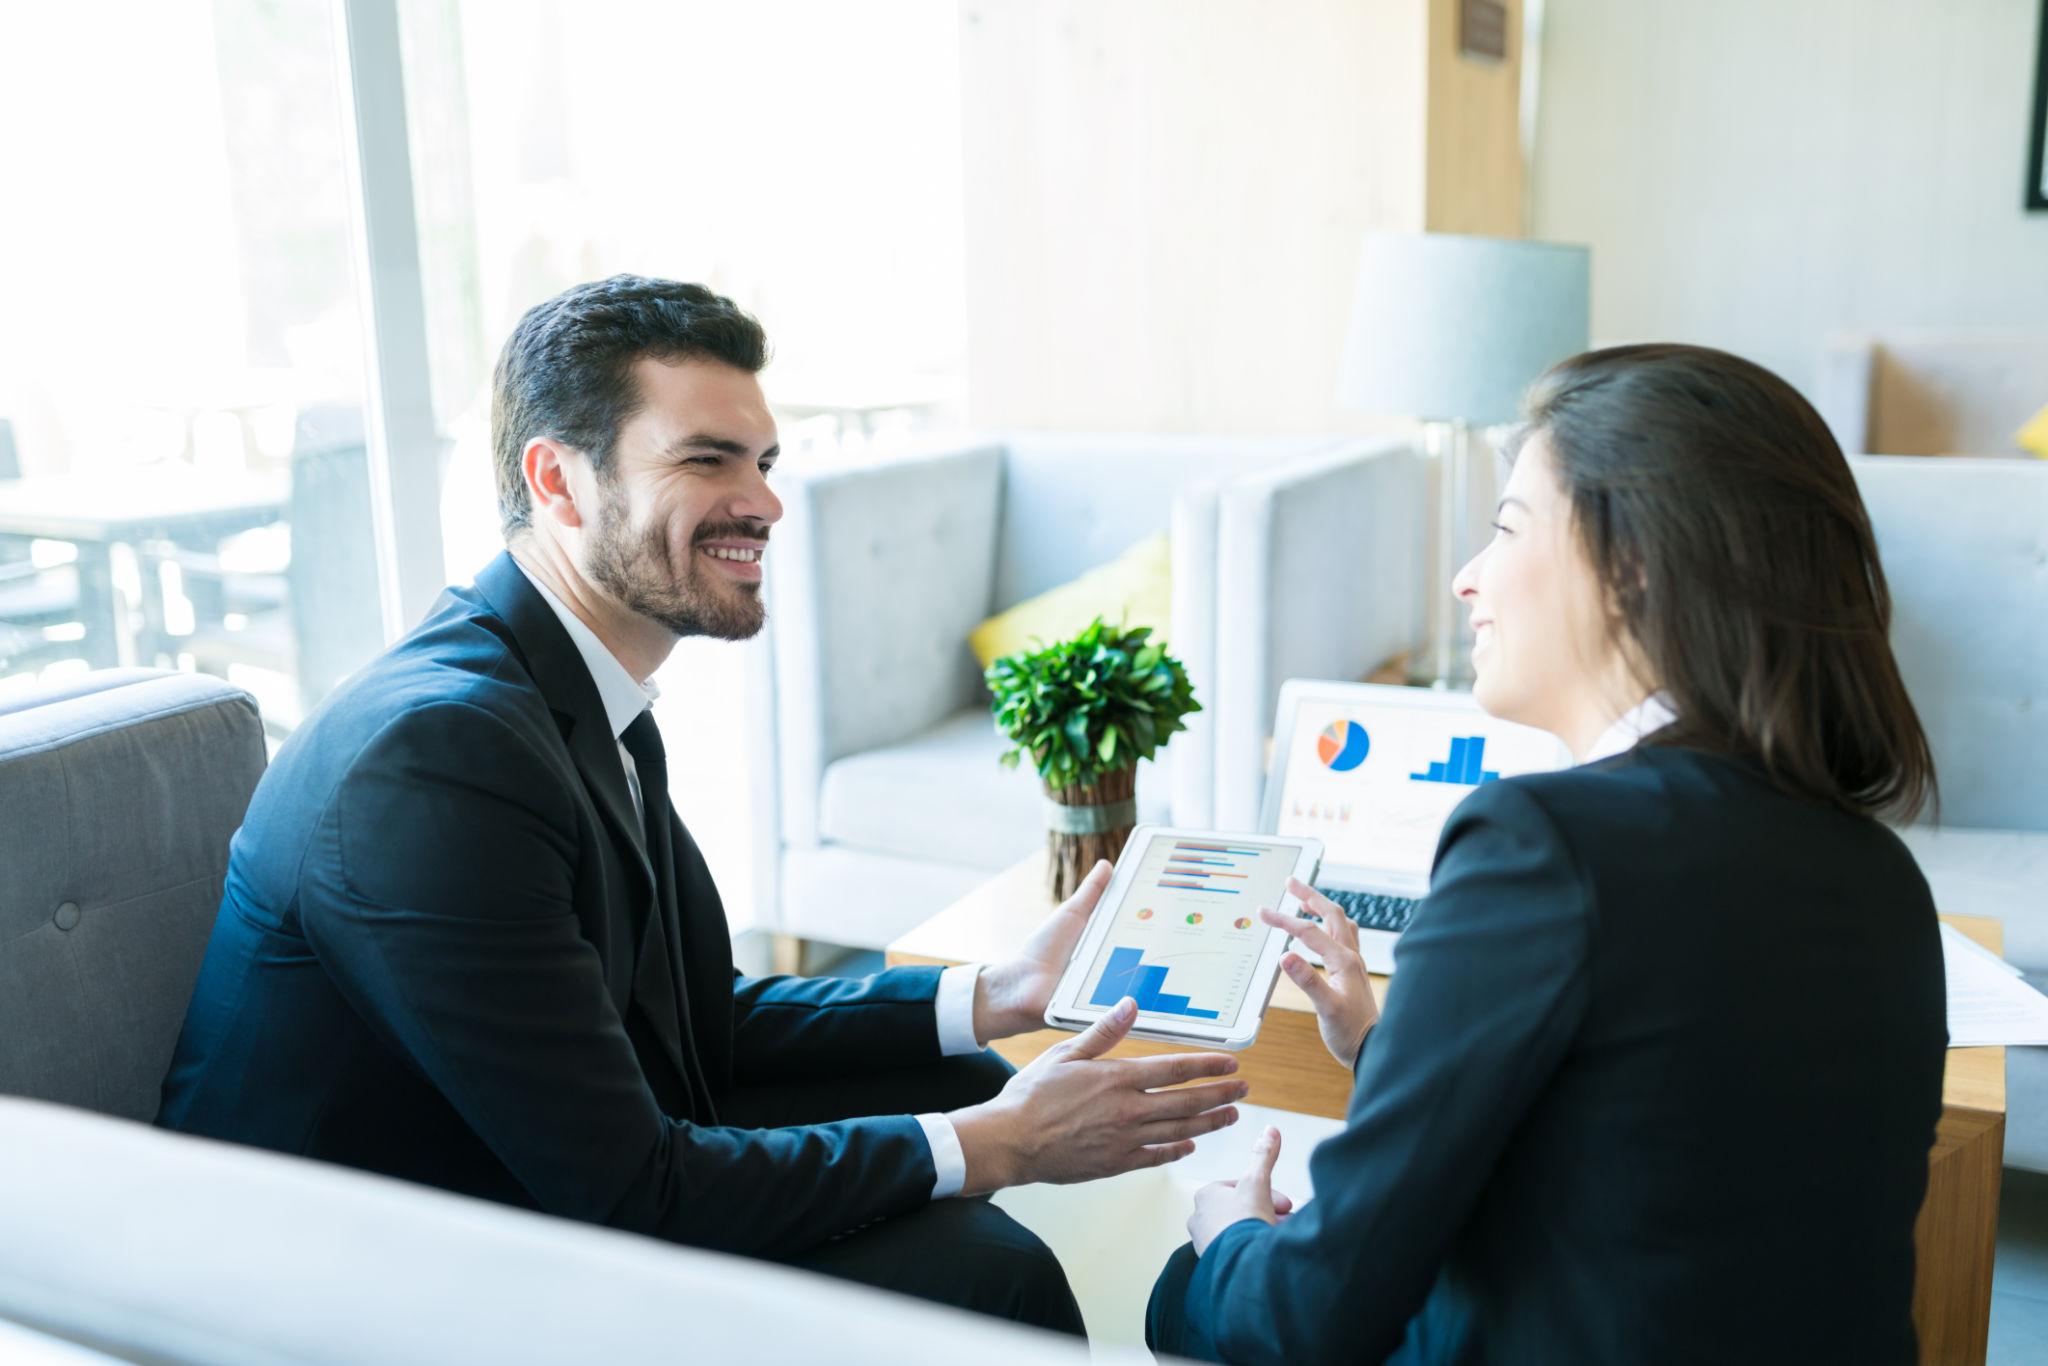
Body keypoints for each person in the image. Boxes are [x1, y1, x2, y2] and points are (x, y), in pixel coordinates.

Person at [157, 275, 1251, 1333]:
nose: (767, 503)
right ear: (558, 481)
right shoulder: (435, 758)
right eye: (707, 459)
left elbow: (695, 1022)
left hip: (526, 1164)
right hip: (378, 1267)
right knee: (985, 1270)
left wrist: (995, 993)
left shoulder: (579, 686)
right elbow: (634, 1188)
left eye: (764, 461)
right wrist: (991, 1143)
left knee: (962, 1071)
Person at [1146, 344, 1947, 1364]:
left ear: (1631, 561)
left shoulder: (1538, 843)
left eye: (1506, 525)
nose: (1464, 576)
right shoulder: (1879, 876)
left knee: (1179, 1300)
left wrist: (1228, 1238)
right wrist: (1386, 1045)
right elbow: (1655, 1151)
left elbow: (1315, 1312)